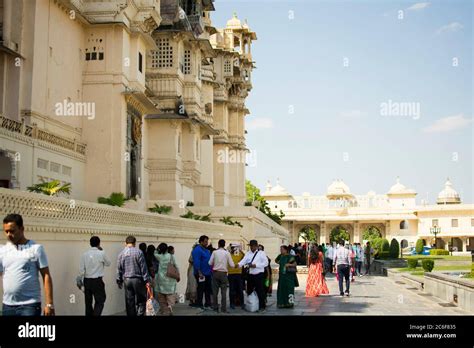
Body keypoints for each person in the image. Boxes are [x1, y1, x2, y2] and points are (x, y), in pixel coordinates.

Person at [0, 214, 54, 316]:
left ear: (22, 229)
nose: (8, 234)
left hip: (29, 306)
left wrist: (49, 304)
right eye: (6, 231)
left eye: (12, 231)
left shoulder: (35, 249)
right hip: (7, 306)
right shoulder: (3, 251)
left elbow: (46, 275)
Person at [116, 235, 150, 316]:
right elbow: (143, 267)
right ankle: (140, 314)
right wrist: (147, 280)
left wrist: (119, 280)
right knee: (141, 300)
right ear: (135, 243)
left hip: (127, 280)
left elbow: (118, 268)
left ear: (125, 243)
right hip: (138, 280)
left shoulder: (121, 254)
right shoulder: (139, 252)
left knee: (129, 301)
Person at [79, 236, 111, 316]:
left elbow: (81, 271)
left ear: (90, 244)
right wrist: (102, 250)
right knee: (100, 301)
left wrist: (80, 283)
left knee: (88, 303)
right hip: (97, 281)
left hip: (87, 281)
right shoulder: (102, 253)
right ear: (99, 243)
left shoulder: (84, 254)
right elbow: (108, 263)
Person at [238, 239, 268, 312]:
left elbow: (266, 263)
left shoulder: (261, 253)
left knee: (260, 291)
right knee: (249, 290)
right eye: (251, 246)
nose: (252, 247)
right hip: (251, 275)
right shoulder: (248, 253)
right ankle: (250, 305)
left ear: (256, 246)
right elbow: (243, 261)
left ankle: (262, 307)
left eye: (253, 246)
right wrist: (238, 264)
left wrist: (256, 265)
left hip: (259, 275)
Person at [208, 239, 234, 313]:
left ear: (218, 245)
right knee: (224, 292)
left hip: (215, 273)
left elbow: (209, 263)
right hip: (224, 274)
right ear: (224, 245)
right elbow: (232, 265)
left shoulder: (214, 252)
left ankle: (215, 307)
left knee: (215, 292)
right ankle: (223, 309)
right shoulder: (227, 253)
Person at [154, 243, 179, 315]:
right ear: (167, 249)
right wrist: (178, 275)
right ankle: (170, 307)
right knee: (170, 296)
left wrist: (157, 248)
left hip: (161, 280)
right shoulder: (171, 256)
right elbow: (176, 266)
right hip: (170, 279)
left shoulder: (159, 256)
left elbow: (155, 252)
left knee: (162, 297)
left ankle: (165, 310)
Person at [192, 235, 212, 309]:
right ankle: (199, 303)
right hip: (201, 273)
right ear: (201, 242)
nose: (207, 243)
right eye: (205, 242)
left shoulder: (207, 250)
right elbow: (196, 262)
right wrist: (199, 272)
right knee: (200, 289)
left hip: (208, 273)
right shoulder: (197, 250)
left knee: (207, 289)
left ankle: (208, 303)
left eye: (207, 241)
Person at [228, 243, 245, 310]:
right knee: (232, 289)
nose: (234, 249)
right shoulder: (228, 254)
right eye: (233, 248)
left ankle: (242, 303)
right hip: (231, 273)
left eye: (235, 248)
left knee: (240, 289)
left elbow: (245, 256)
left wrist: (240, 250)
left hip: (238, 273)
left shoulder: (239, 254)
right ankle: (232, 303)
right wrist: (229, 250)